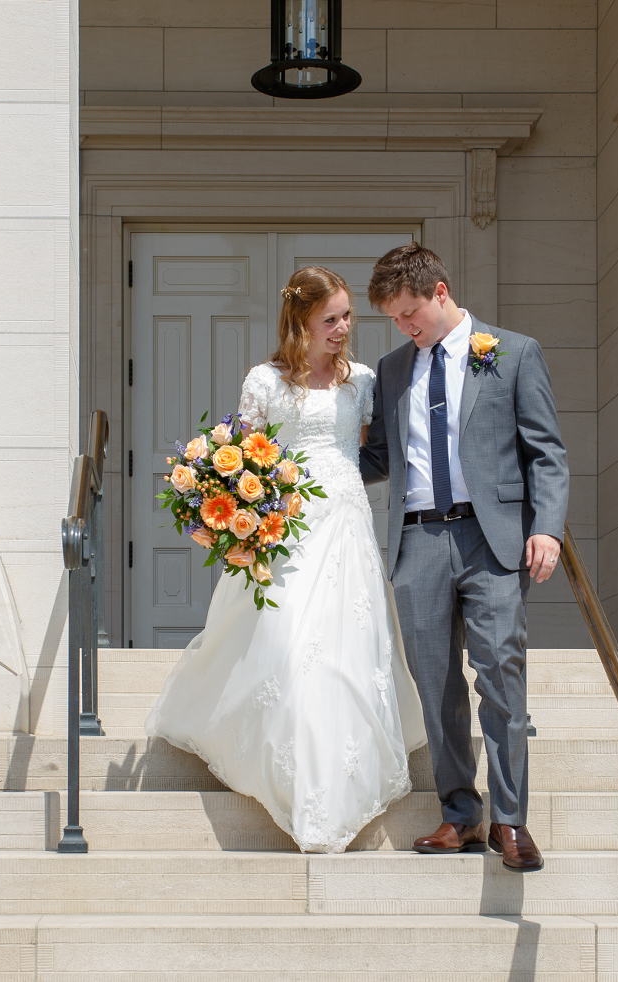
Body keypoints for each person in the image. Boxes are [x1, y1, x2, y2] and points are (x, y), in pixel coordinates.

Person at [145, 266, 427, 853]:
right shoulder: (265, 382)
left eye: (348, 316)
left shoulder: (364, 380)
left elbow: (372, 452)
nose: (344, 328)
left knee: (345, 649)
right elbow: (242, 454)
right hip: (286, 530)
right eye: (332, 319)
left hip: (346, 523)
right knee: (289, 643)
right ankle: (297, 785)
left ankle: (334, 791)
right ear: (301, 321)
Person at [360, 243, 569, 871]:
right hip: (417, 540)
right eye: (395, 319)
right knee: (435, 684)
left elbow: (546, 453)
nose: (405, 327)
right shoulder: (393, 369)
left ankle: (510, 820)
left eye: (410, 312)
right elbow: (379, 458)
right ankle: (459, 815)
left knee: (500, 674)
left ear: (441, 292)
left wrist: (549, 529)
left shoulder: (512, 353)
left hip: (493, 538)